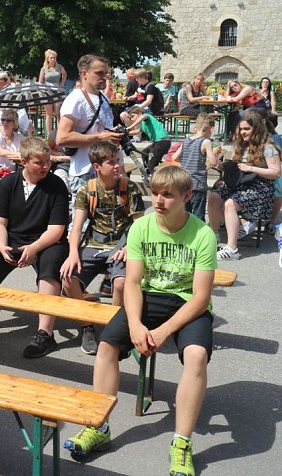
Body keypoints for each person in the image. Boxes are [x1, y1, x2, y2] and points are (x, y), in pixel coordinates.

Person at [63, 166, 216, 476]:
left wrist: (163, 332)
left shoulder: (203, 234)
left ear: (186, 197)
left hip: (186, 301)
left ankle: (182, 444)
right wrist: (134, 323)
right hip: (148, 297)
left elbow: (200, 297)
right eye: (155, 193)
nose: (158, 200)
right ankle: (98, 424)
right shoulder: (141, 228)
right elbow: (132, 283)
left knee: (196, 356)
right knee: (106, 345)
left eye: (167, 195)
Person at [0, 137, 69, 357]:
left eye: (48, 161)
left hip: (46, 240)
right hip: (13, 238)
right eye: (39, 162)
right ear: (23, 161)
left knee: (49, 269)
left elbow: (56, 229)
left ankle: (45, 334)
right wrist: (2, 247)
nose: (46, 166)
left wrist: (34, 248)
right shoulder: (9, 182)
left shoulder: (56, 185)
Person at [60, 141, 145, 353]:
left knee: (120, 284)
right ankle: (87, 326)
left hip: (121, 243)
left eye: (118, 161)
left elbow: (139, 225)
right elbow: (77, 227)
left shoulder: (128, 187)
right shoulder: (86, 190)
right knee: (68, 277)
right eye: (111, 162)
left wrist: (129, 247)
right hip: (94, 243)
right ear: (97, 167)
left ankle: (113, 330)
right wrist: (72, 254)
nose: (117, 166)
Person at [207, 110, 281, 260]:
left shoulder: (268, 147)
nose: (242, 132)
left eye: (247, 129)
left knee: (229, 204)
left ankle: (232, 249)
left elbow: (276, 172)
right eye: (241, 129)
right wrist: (222, 167)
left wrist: (251, 168)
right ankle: (213, 237)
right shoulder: (241, 145)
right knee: (214, 197)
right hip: (240, 184)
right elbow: (236, 168)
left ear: (257, 129)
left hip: (261, 188)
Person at [57, 54, 122, 195]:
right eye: (99, 73)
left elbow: (103, 129)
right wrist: (100, 137)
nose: (104, 77)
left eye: (106, 73)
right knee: (83, 217)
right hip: (85, 173)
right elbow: (62, 138)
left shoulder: (103, 97)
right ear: (84, 74)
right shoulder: (75, 99)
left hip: (107, 170)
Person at [171, 113, 223, 221]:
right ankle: (199, 235)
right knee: (198, 215)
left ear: (195, 127)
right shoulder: (206, 142)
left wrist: (187, 160)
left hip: (184, 183)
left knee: (185, 214)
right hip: (198, 183)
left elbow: (174, 157)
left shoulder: (186, 141)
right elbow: (213, 162)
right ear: (211, 129)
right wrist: (215, 155)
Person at [124, 106, 172, 174]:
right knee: (145, 152)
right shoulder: (143, 124)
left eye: (132, 116)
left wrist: (129, 127)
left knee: (151, 167)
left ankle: (156, 176)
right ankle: (148, 171)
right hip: (157, 142)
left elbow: (144, 116)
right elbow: (138, 132)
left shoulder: (147, 117)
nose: (132, 119)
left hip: (162, 142)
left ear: (140, 114)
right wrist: (124, 133)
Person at [39, 49, 68, 136]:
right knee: (49, 114)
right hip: (47, 91)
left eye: (54, 58)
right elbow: (40, 81)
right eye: (51, 58)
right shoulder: (44, 69)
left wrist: (62, 83)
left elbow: (65, 74)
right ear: (47, 59)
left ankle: (60, 132)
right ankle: (48, 134)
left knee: (59, 112)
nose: (53, 59)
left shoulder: (59, 67)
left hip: (57, 91)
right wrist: (42, 91)